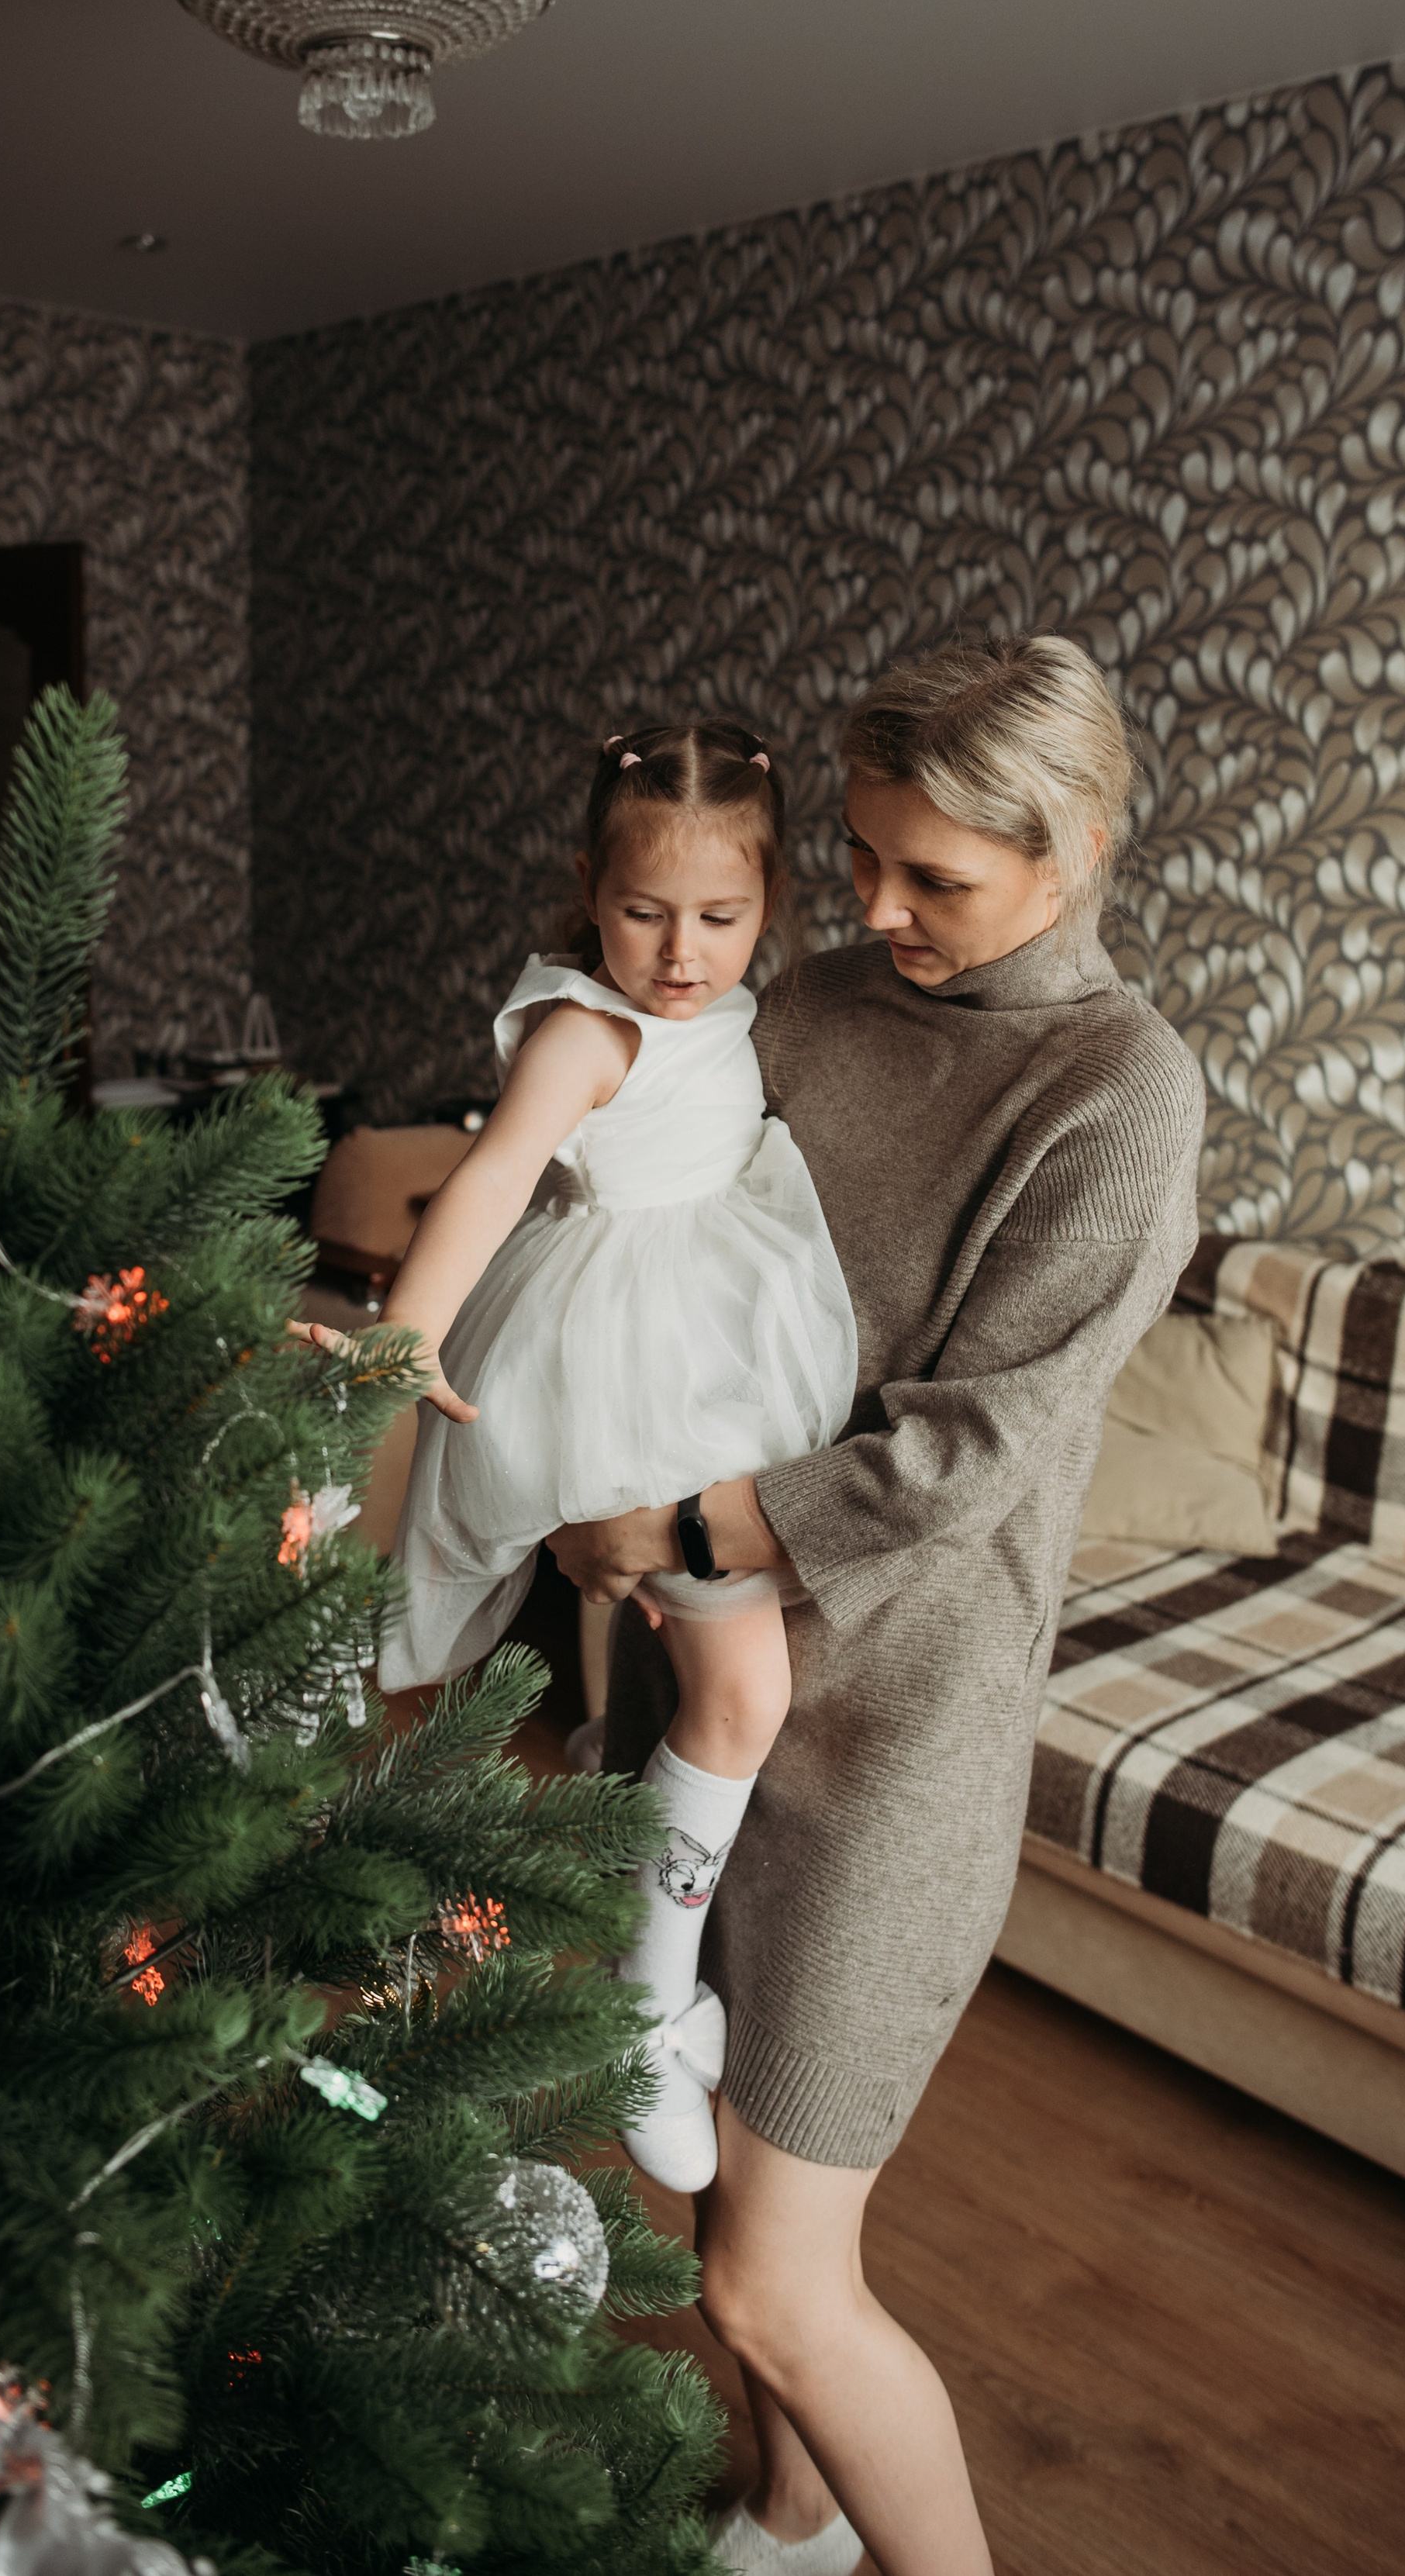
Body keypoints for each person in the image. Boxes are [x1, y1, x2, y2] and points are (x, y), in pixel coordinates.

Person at [550, 634, 1205, 2576]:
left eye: (938, 876)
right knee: (708, 2175)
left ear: (1076, 849)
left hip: (896, 1739)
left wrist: (671, 1519)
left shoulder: (1117, 1091)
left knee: (770, 2282)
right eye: (858, 854)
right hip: (699, 1683)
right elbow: (646, 1226)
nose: (877, 907)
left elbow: (968, 1446)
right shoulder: (812, 1006)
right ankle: (792, 2512)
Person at [295, 720, 856, 2190]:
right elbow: (490, 1176)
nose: (681, 954)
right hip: (629, 1374)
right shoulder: (584, 1030)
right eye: (643, 912)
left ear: (770, 902)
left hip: (719, 1362)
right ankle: (643, 2003)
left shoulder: (736, 1008)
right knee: (746, 1695)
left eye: (720, 917)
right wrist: (406, 1334)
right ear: (590, 893)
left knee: (733, 1692)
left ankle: (650, 1985)